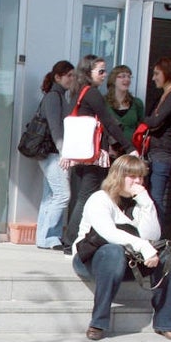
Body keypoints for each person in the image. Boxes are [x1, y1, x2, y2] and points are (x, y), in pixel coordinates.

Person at [70, 154, 171, 342]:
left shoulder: (138, 201)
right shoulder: (99, 199)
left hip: (127, 263)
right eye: (132, 176)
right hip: (91, 259)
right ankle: (98, 323)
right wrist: (143, 246)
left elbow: (152, 236)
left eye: (141, 177)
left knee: (165, 254)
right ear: (118, 176)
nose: (138, 181)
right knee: (113, 250)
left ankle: (165, 323)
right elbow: (108, 233)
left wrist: (146, 202)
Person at [59, 54, 130, 249]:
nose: (104, 75)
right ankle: (72, 240)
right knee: (87, 197)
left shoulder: (76, 93)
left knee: (80, 197)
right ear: (88, 72)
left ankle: (72, 238)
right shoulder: (92, 93)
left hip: (80, 155)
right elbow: (108, 122)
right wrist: (130, 147)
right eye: (101, 71)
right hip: (93, 155)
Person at [35, 59, 75, 249]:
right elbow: (55, 127)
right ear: (58, 77)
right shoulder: (54, 97)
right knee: (62, 195)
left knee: (50, 195)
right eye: (68, 76)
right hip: (53, 153)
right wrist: (63, 151)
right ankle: (50, 237)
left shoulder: (59, 96)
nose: (71, 79)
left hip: (52, 153)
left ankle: (44, 238)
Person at [143, 56, 171, 224]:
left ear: (167, 73)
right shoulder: (166, 94)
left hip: (163, 151)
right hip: (157, 150)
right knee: (150, 195)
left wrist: (140, 121)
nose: (153, 78)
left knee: (156, 196)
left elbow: (155, 121)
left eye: (156, 73)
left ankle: (156, 237)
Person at [106, 65, 145, 146]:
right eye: (122, 76)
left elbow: (141, 127)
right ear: (113, 79)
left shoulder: (137, 103)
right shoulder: (103, 102)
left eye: (129, 76)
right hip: (109, 149)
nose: (127, 79)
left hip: (131, 150)